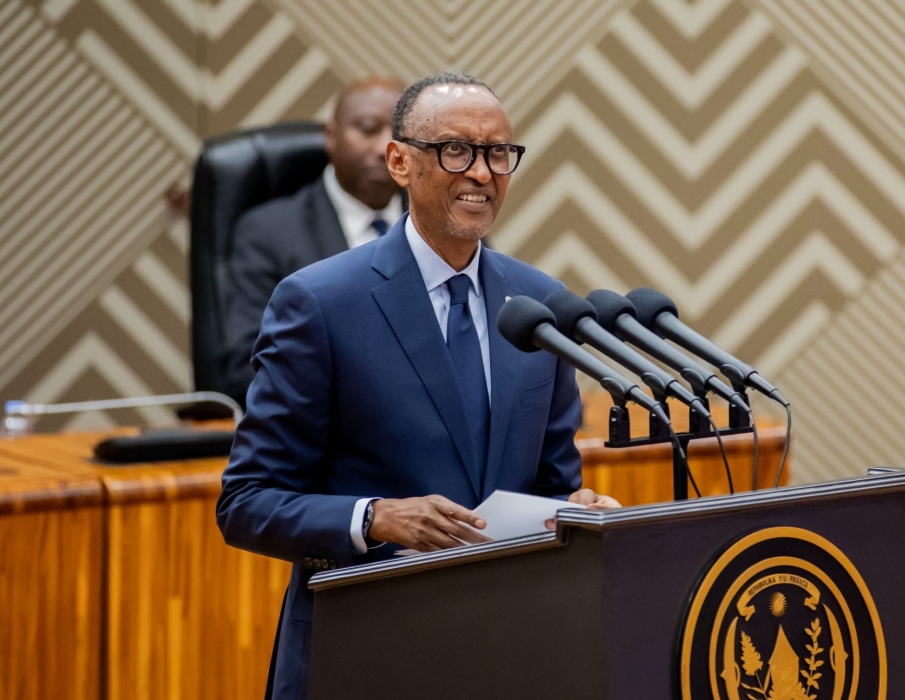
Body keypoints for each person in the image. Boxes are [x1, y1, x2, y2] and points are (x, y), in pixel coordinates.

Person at [216, 72, 620, 700]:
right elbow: (246, 503)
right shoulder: (320, 303)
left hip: (507, 650)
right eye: (456, 149)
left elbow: (547, 488)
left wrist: (575, 517)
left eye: (498, 153)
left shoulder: (539, 304)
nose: (482, 173)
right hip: (365, 645)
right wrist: (375, 517)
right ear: (400, 162)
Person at [222, 76, 406, 406]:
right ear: (331, 136)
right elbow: (250, 364)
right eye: (367, 129)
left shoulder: (443, 225)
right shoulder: (269, 232)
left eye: (400, 135)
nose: (384, 148)